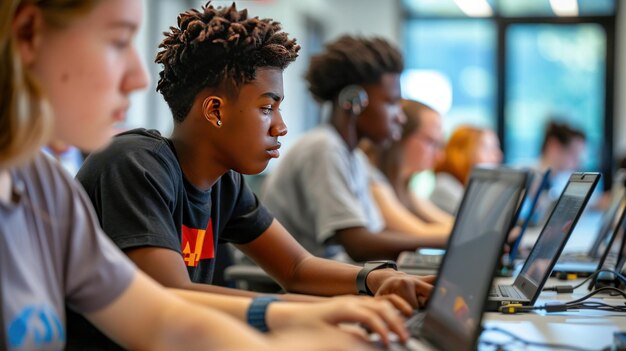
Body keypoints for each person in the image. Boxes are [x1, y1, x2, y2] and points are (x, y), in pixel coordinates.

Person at [0, 0, 401, 350]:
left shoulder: (44, 186)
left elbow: (165, 319)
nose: (139, 79)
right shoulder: (134, 163)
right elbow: (172, 297)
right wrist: (317, 312)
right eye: (118, 41)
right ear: (30, 34)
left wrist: (366, 288)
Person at [262, 35, 447, 263]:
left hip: (329, 278)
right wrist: (452, 242)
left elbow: (375, 235)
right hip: (287, 290)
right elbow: (359, 244)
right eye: (391, 103)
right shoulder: (323, 148)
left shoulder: (354, 157)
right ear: (353, 100)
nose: (400, 116)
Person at [360, 99, 453, 245]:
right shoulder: (371, 180)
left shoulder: (403, 185)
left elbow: (450, 224)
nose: (439, 156)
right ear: (399, 135)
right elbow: (421, 233)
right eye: (431, 142)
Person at [430, 125, 503, 214]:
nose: (498, 156)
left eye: (496, 148)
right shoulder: (445, 185)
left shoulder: (469, 188)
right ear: (463, 153)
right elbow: (475, 222)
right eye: (488, 149)